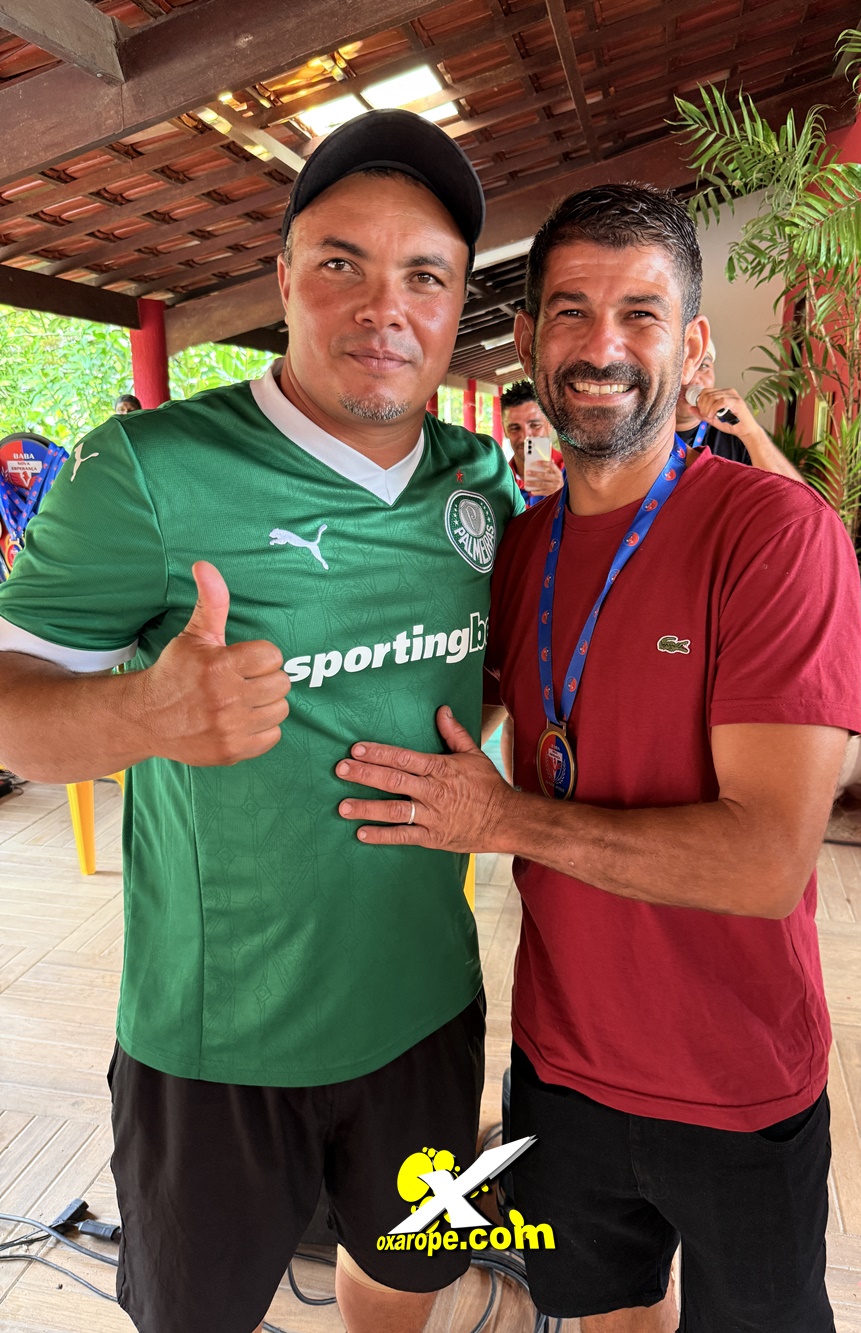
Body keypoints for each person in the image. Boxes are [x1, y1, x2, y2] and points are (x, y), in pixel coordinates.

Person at [0, 109, 521, 1333]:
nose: (384, 308)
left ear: (457, 306)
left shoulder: (482, 485)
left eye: (424, 276)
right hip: (213, 1039)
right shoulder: (145, 469)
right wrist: (144, 711)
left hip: (423, 1007)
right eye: (342, 262)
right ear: (281, 277)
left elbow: (484, 674)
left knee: (405, 1277)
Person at [335, 184, 861, 1332]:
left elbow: (763, 862)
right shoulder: (516, 549)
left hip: (736, 1083)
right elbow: (402, 705)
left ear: (695, 345)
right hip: (561, 1064)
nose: (603, 346)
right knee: (606, 1313)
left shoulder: (776, 537)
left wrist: (505, 819)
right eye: (571, 311)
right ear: (528, 341)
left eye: (641, 313)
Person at [675, 335, 803, 478]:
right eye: (680, 366)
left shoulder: (736, 434)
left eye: (703, 366)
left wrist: (752, 434)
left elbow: (792, 492)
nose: (692, 378)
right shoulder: (652, 434)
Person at [500, 379, 564, 505]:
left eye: (535, 425)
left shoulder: (575, 475)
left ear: (550, 424)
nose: (525, 437)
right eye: (515, 428)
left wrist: (564, 497)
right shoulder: (498, 481)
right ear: (505, 430)